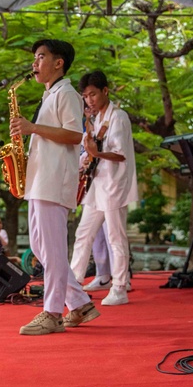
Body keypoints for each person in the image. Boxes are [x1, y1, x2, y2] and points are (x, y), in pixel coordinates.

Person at [10, 39, 97, 335]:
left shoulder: (68, 94)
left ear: (58, 63)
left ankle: (52, 313)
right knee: (41, 247)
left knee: (53, 250)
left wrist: (32, 128)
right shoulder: (50, 95)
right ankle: (80, 302)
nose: (34, 64)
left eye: (40, 57)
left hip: (53, 182)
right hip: (39, 181)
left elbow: (74, 135)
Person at [67, 70, 138, 306]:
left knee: (116, 237)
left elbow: (120, 154)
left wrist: (96, 153)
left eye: (93, 95)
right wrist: (86, 159)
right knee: (83, 233)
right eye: (86, 96)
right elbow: (93, 151)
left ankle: (119, 287)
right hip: (97, 183)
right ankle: (73, 284)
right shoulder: (96, 119)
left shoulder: (119, 117)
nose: (89, 100)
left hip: (114, 183)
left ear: (105, 91)